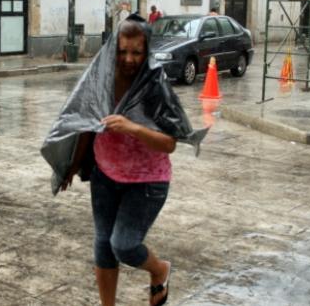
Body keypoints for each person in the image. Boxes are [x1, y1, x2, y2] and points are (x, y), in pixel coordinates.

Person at [47, 16, 206, 306]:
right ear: (113, 50)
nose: (129, 59)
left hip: (147, 181)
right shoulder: (100, 78)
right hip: (105, 175)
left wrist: (131, 126)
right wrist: (72, 165)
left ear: (147, 52)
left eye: (136, 52)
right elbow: (86, 123)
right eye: (122, 51)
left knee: (124, 244)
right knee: (103, 246)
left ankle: (159, 270)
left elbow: (170, 143)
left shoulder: (155, 86)